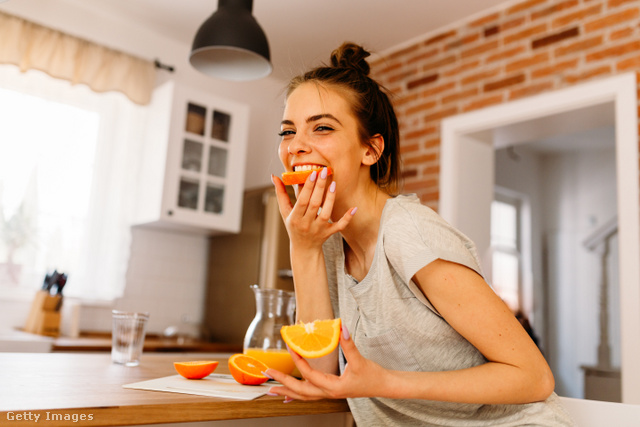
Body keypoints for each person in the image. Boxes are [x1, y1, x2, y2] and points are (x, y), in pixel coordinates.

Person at [266, 42, 574, 426]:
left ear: (370, 150)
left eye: (322, 128)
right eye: (288, 131)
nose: (295, 146)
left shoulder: (408, 230)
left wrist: (384, 382)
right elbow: (319, 368)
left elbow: (533, 376)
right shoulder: (327, 242)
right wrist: (303, 247)